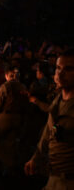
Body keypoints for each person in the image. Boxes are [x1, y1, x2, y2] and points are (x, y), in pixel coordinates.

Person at [24, 49, 74, 189]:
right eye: (58, 68)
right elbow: (48, 130)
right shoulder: (58, 100)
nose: (61, 73)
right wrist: (36, 157)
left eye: (69, 69)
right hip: (54, 175)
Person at [0, 66, 30, 173]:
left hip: (6, 117)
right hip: (19, 118)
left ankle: (8, 162)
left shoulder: (6, 86)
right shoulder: (23, 87)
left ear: (7, 75)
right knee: (10, 142)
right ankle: (10, 166)